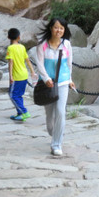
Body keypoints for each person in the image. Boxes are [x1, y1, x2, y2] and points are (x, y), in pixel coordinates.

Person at [35, 17, 75, 156]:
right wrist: (46, 79)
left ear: (64, 30)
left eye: (62, 28)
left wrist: (70, 79)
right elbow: (39, 64)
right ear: (51, 28)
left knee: (60, 111)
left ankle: (56, 144)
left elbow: (69, 64)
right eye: (56, 27)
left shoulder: (67, 45)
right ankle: (54, 132)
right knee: (50, 116)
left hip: (63, 82)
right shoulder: (42, 46)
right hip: (47, 84)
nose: (59, 30)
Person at [5, 28, 37, 122]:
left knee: (13, 95)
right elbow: (28, 60)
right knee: (19, 95)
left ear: (8, 37)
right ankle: (19, 114)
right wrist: (32, 72)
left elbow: (11, 62)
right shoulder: (22, 47)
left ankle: (24, 112)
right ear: (19, 37)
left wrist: (10, 76)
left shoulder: (10, 48)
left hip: (17, 76)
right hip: (24, 75)